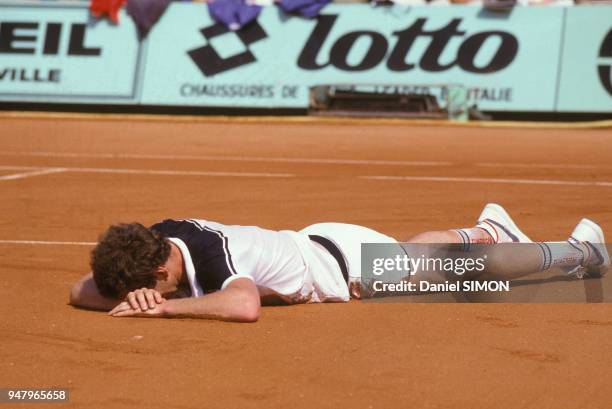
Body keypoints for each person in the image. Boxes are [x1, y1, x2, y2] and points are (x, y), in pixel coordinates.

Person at [69, 204, 609, 322]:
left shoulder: (213, 258)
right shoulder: (154, 240)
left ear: (162, 273)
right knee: (417, 255)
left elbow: (245, 305)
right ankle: (486, 228)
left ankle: (578, 252)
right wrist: (131, 291)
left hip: (342, 265)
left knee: (467, 271)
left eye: (142, 289)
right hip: (321, 244)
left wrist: (163, 311)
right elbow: (80, 290)